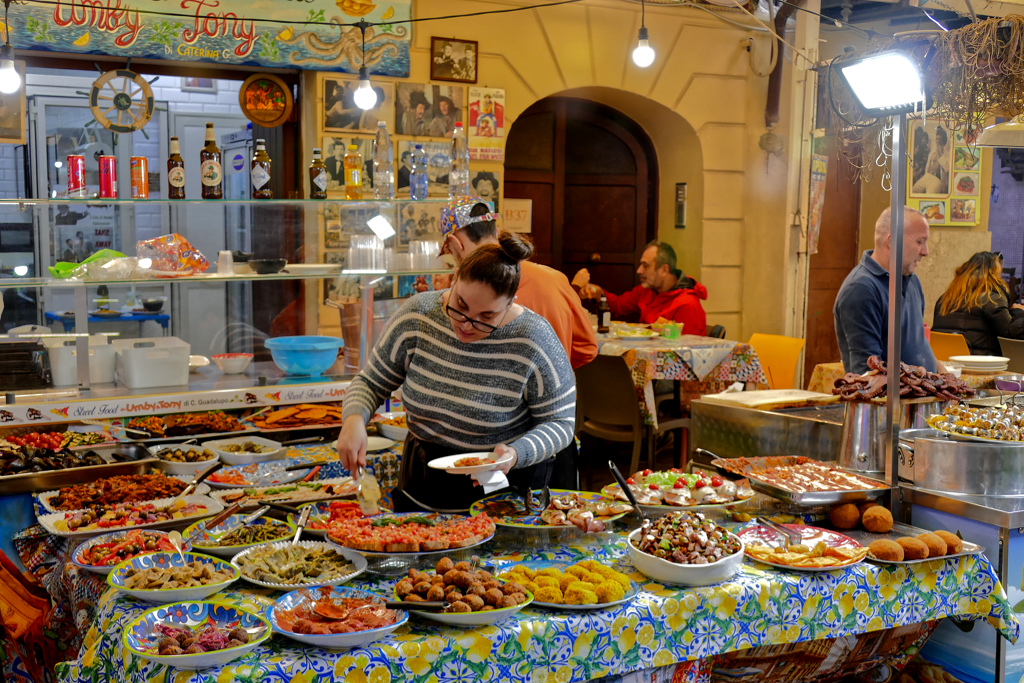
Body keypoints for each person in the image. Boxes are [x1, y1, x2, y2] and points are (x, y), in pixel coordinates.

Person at [337, 231, 576, 513]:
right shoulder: (418, 315)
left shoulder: (534, 338)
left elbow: (560, 424)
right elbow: (371, 382)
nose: (466, 324)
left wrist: (515, 453)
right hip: (424, 478)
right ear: (454, 279)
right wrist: (353, 419)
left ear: (510, 303)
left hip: (504, 489)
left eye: (486, 317)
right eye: (460, 305)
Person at [440, 197, 597, 370]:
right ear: (497, 232)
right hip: (554, 393)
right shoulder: (556, 278)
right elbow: (587, 348)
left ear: (456, 243)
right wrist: (554, 374)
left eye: (451, 253)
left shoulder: (465, 297)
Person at [834, 206, 938, 374]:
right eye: (920, 242)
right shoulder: (861, 290)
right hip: (885, 400)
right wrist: (919, 376)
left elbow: (919, 346)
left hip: (922, 398)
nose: (925, 252)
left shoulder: (912, 281)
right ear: (892, 241)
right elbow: (869, 372)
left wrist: (947, 378)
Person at [572, 242, 707, 335]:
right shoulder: (646, 291)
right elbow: (619, 305)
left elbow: (685, 354)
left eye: (645, 265)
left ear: (664, 270)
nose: (639, 270)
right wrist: (598, 294)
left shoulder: (688, 305)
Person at [932, 251, 1024, 356]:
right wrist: (1018, 311)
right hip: (979, 366)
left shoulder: (944, 300)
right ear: (993, 276)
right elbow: (1013, 336)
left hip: (946, 364)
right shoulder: (992, 299)